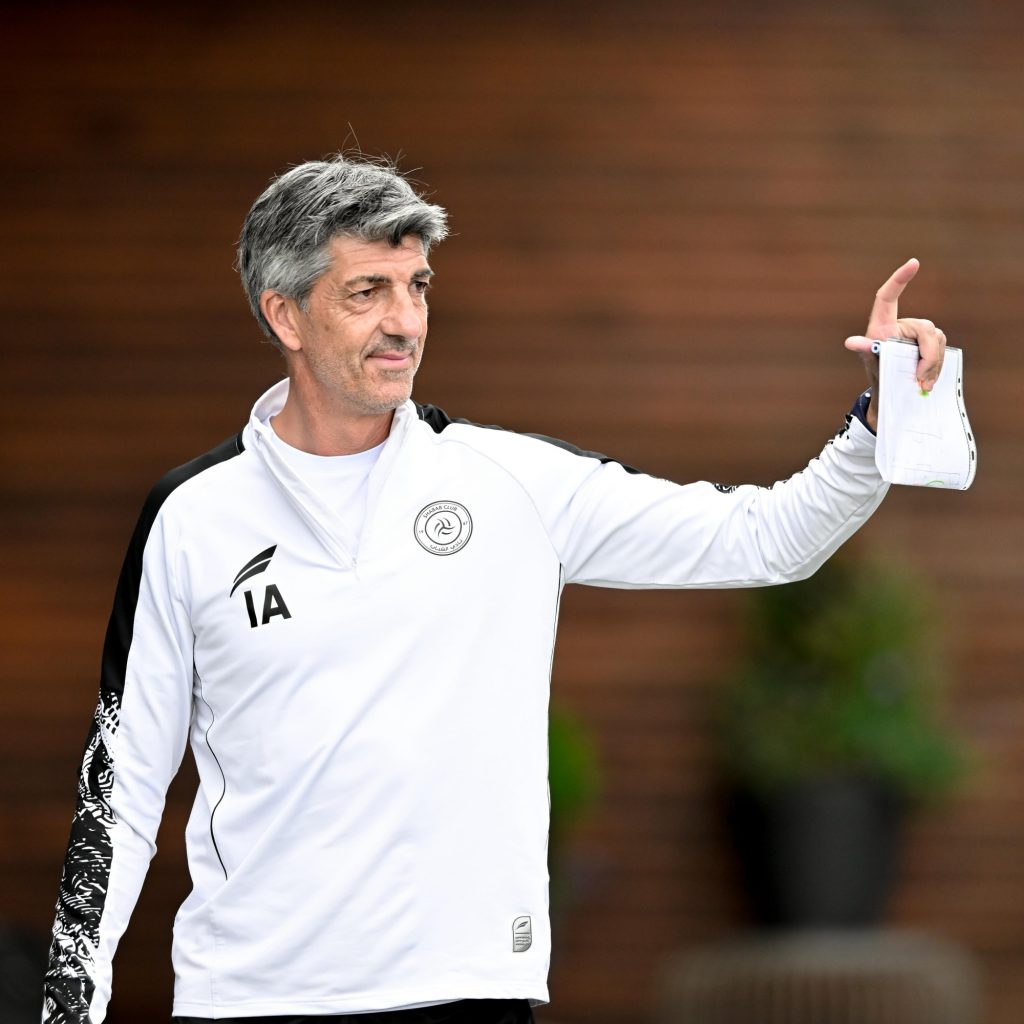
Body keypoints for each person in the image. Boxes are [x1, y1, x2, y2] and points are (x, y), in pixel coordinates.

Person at [41, 154, 946, 1024]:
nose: (406, 322)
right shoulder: (192, 517)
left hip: (465, 994)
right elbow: (120, 786)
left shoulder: (512, 482)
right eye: (367, 292)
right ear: (285, 314)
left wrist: (878, 419)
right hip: (250, 1000)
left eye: (418, 286)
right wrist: (65, 1008)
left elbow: (767, 538)